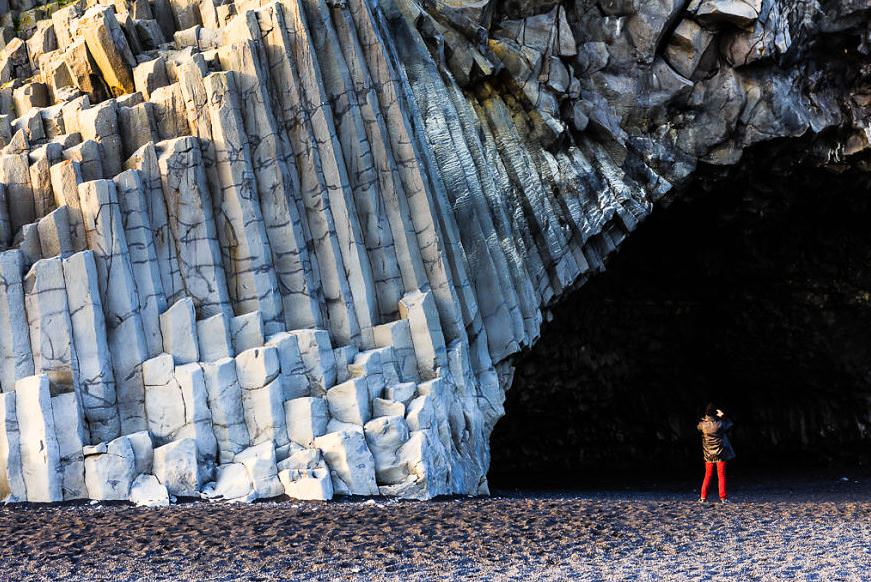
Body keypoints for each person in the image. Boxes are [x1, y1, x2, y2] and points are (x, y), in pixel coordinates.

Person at [697, 403, 735, 503]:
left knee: (707, 475)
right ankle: (723, 498)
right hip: (720, 453)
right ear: (715, 413)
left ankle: (703, 497)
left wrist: (704, 418)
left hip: (708, 454)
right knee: (721, 476)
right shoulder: (720, 424)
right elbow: (730, 424)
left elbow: (698, 427)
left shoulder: (702, 425)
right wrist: (722, 416)